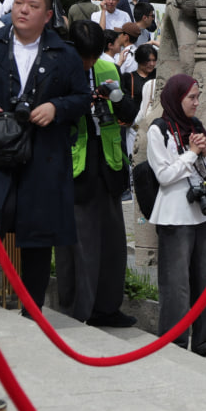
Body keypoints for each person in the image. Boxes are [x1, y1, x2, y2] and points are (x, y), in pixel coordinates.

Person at [0, 0, 90, 307]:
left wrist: (57, 108)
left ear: (47, 15)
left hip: (43, 153)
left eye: (32, 5)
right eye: (18, 3)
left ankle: (32, 308)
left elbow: (82, 98)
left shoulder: (64, 53)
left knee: (37, 234)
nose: (23, 9)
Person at [55, 20, 139, 326]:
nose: (89, 62)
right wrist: (80, 102)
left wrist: (113, 97)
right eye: (84, 56)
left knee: (113, 244)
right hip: (76, 167)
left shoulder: (107, 69)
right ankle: (77, 311)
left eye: (94, 55)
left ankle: (107, 308)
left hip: (108, 165)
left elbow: (129, 113)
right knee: (78, 246)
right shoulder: (58, 71)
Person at [146, 74, 206, 357]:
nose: (196, 102)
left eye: (197, 97)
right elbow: (165, 175)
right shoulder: (159, 130)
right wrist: (192, 153)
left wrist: (203, 154)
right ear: (176, 98)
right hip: (173, 216)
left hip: (201, 214)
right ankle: (174, 341)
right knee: (176, 284)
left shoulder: (195, 126)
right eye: (191, 97)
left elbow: (205, 171)